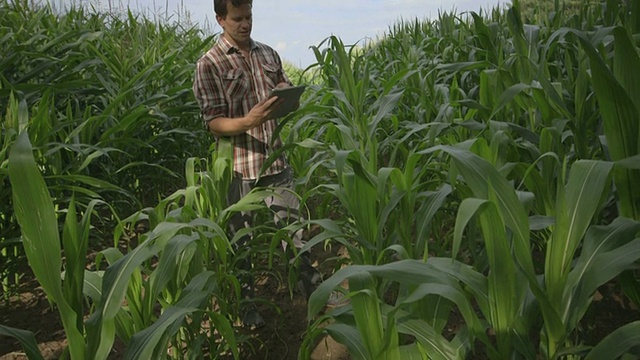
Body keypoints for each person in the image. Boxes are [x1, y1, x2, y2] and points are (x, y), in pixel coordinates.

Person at [192, 0, 320, 329]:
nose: (245, 24)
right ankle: (247, 307)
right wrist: (248, 121)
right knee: (240, 242)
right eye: (237, 19)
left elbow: (288, 93)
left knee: (295, 230)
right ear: (221, 19)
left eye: (248, 16)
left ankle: (316, 291)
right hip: (236, 167)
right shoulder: (209, 64)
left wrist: (286, 94)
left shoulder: (267, 54)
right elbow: (213, 122)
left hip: (274, 158)